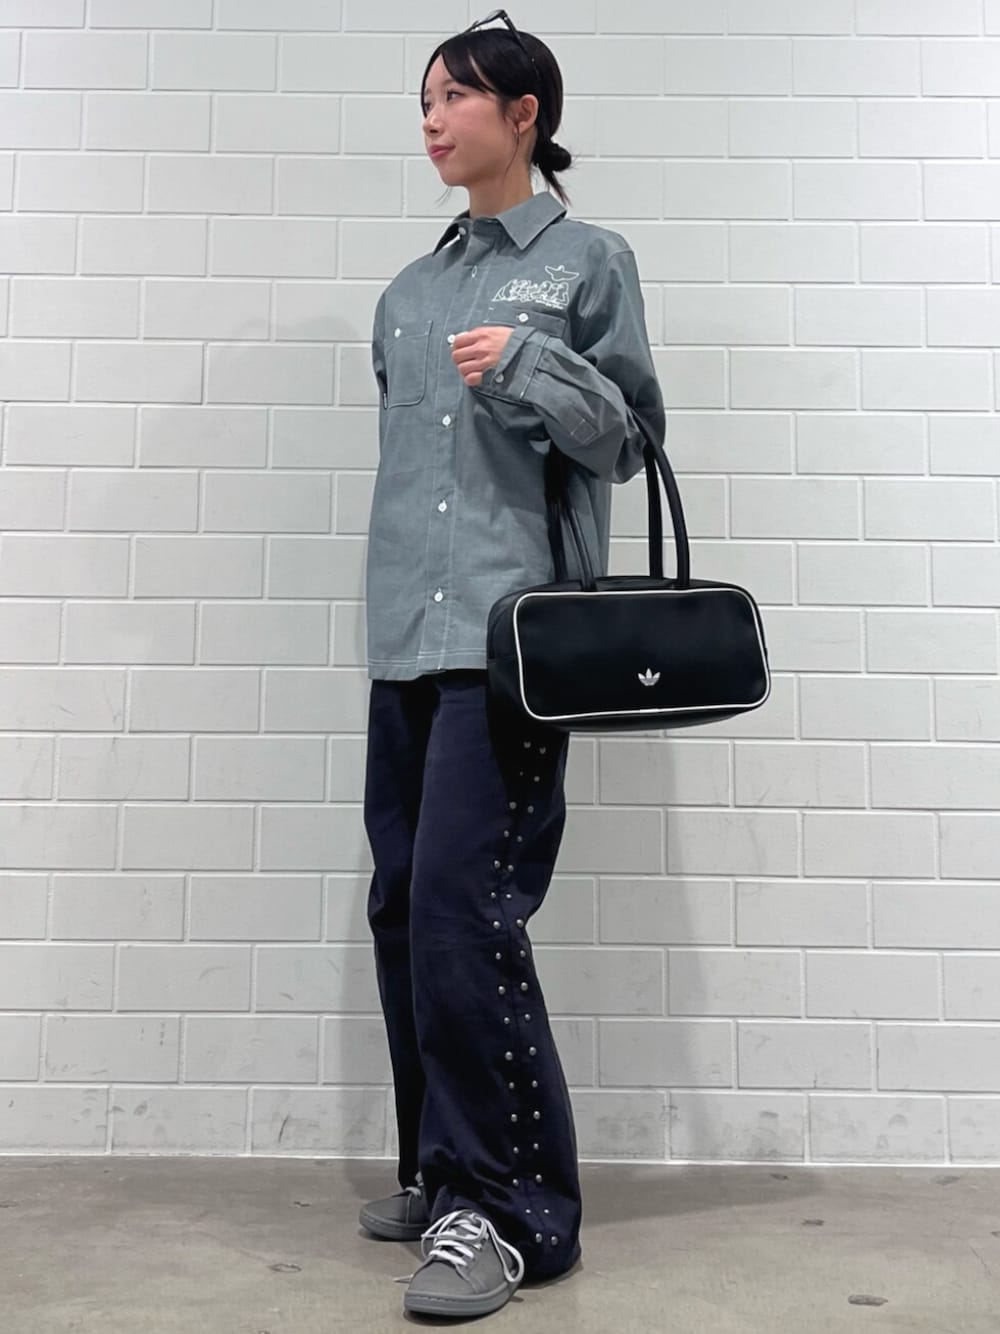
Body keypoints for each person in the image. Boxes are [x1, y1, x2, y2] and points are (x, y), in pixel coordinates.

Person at [358, 9, 666, 1321]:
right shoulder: (409, 291)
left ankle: (508, 1211)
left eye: (453, 97)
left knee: (460, 911)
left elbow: (630, 441)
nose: (431, 119)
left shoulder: (589, 261)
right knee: (402, 906)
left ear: (523, 114)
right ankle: (442, 1169)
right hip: (404, 644)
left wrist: (536, 365)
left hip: (511, 649)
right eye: (423, 100)